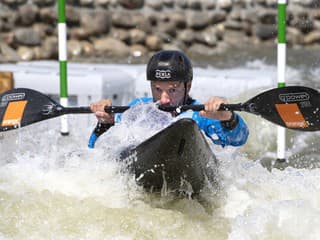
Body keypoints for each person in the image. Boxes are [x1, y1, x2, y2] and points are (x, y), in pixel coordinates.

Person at [89, 50, 249, 148]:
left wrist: (228, 118)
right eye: (158, 89)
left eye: (172, 90)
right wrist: (105, 124)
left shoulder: (202, 115)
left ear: (188, 86)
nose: (164, 99)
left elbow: (240, 139)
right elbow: (96, 148)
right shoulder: (139, 110)